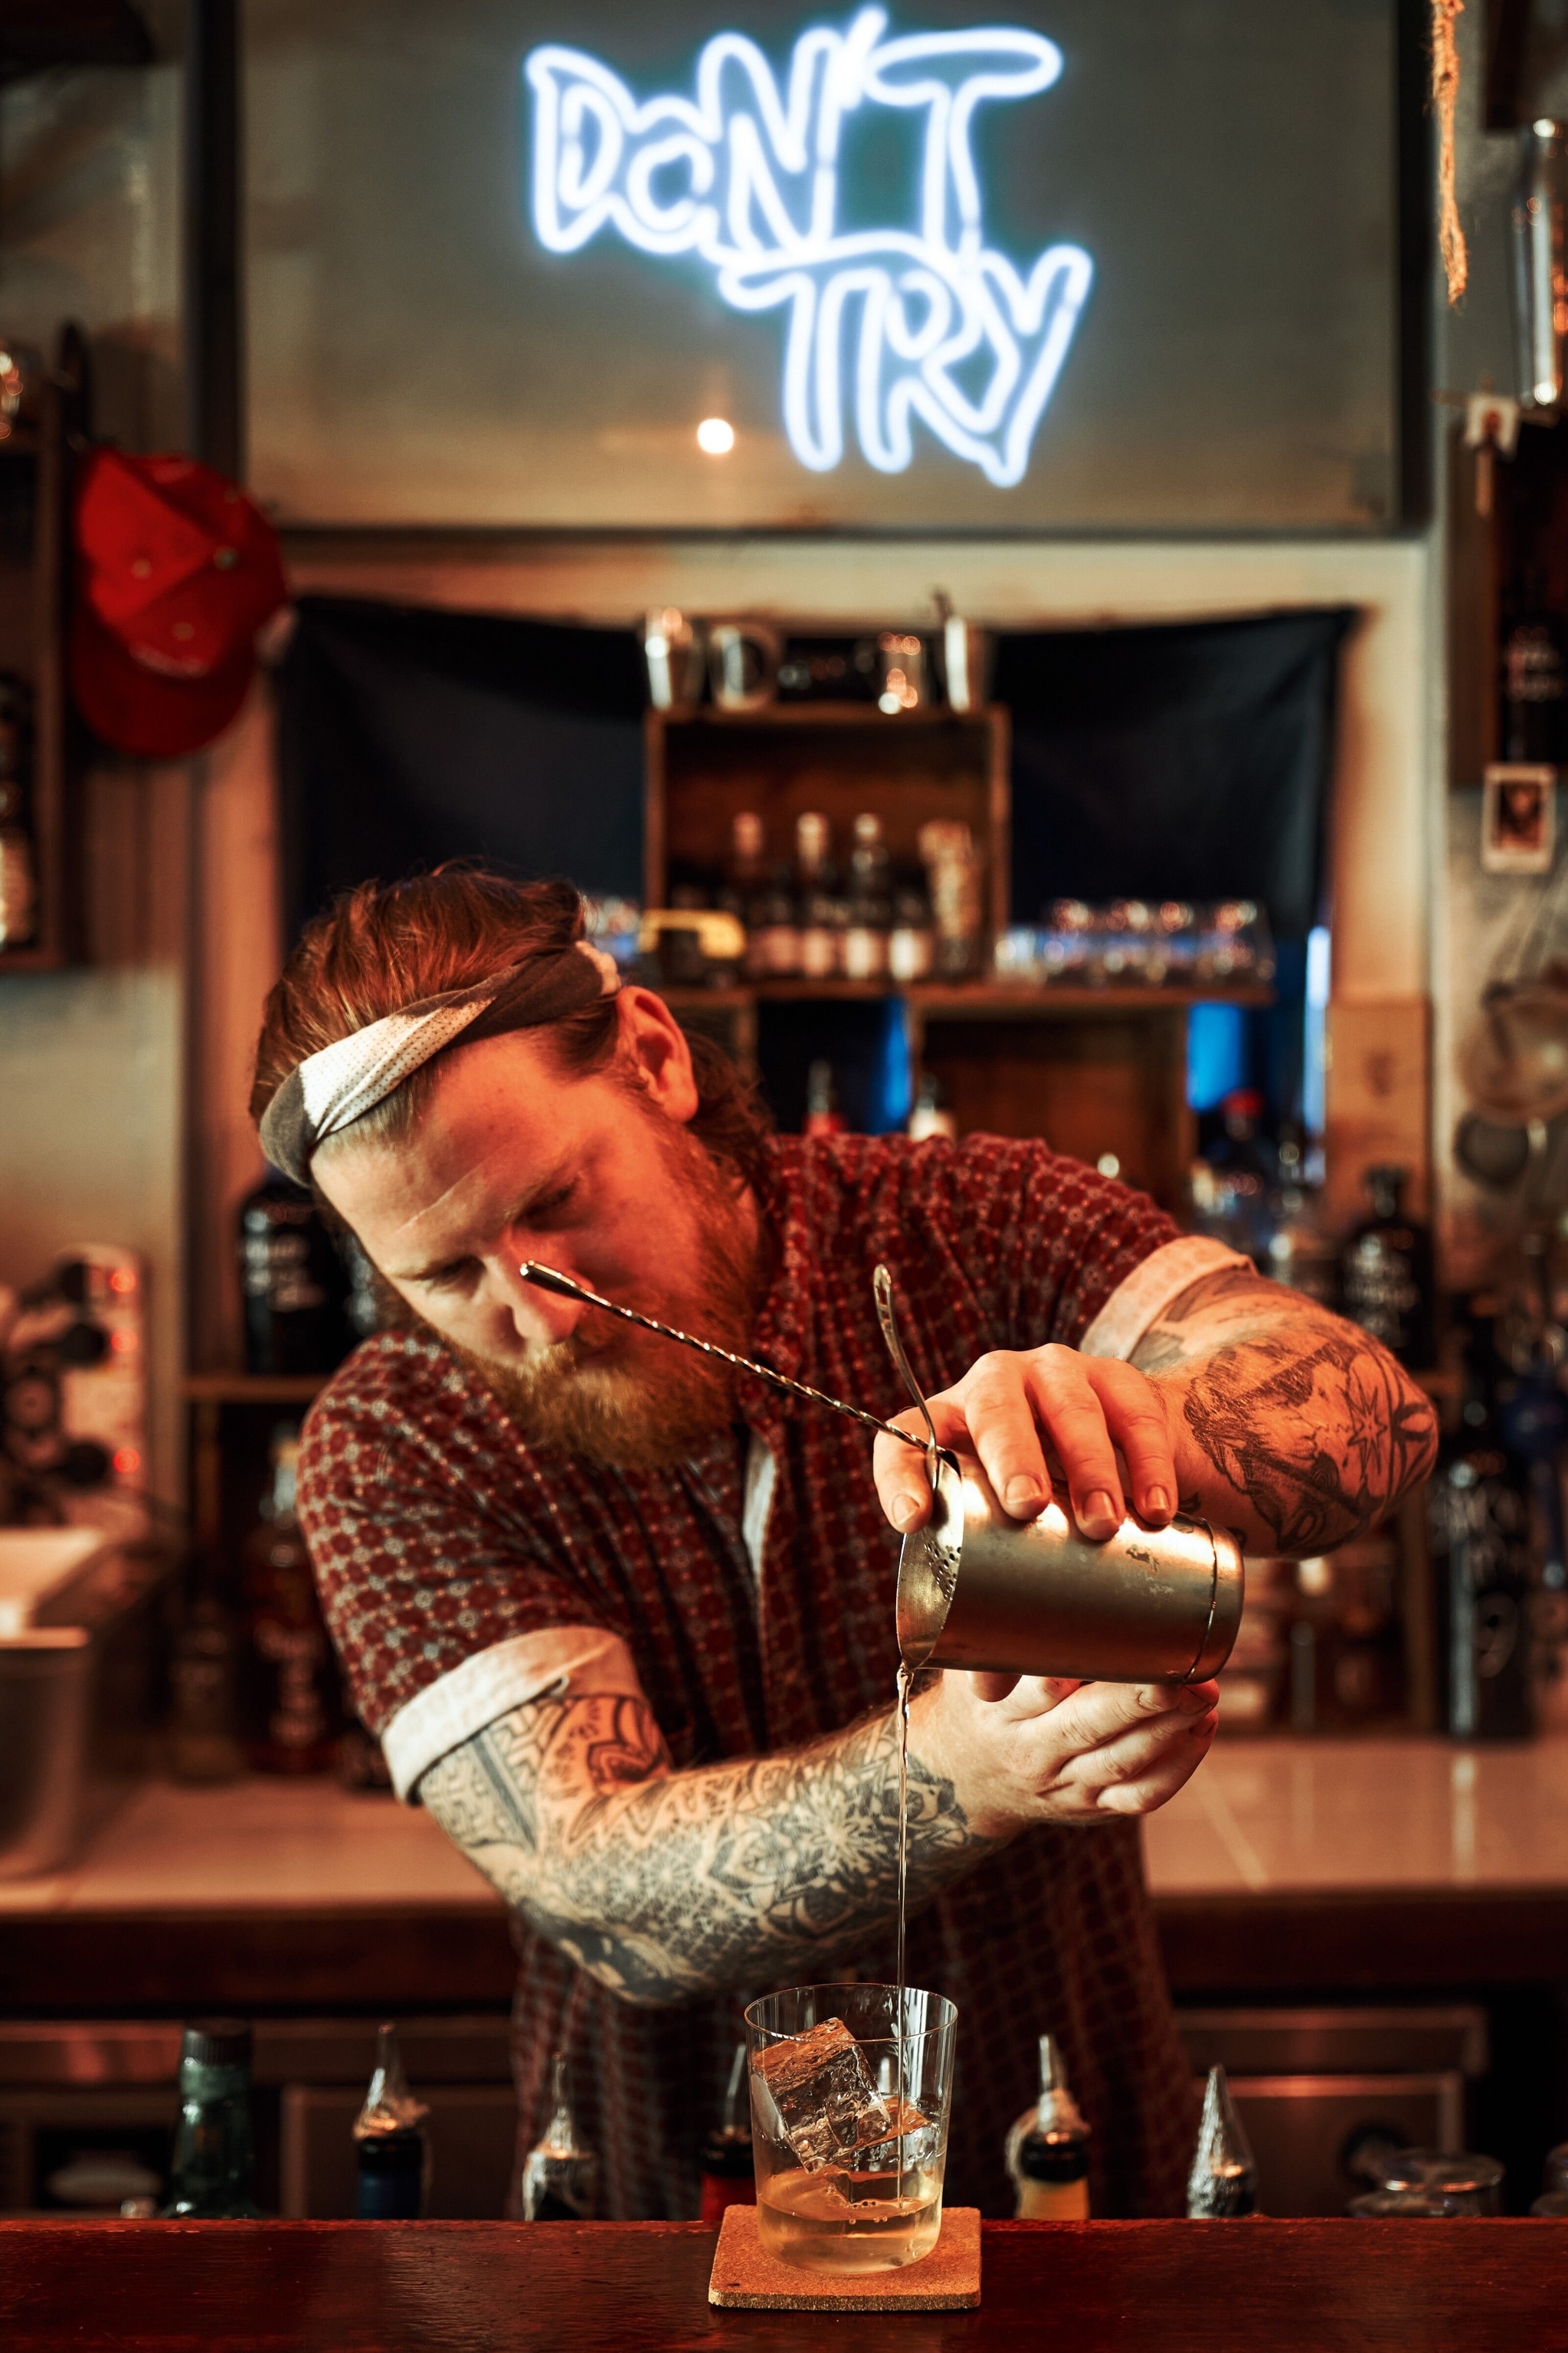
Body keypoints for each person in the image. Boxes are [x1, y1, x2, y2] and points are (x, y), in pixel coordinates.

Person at [252, 871, 1437, 2220]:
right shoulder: (399, 1437)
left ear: (653, 1055)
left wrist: (1147, 1421)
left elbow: (1373, 1408)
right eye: (443, 1275)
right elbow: (598, 1886)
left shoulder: (969, 1220)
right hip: (660, 2222)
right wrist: (969, 1774)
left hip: (1064, 2172)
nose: (538, 1311)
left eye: (556, 1203)